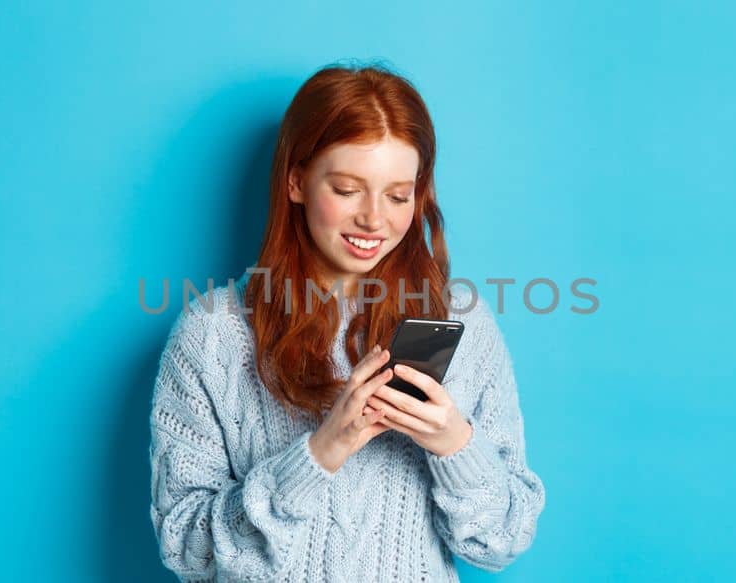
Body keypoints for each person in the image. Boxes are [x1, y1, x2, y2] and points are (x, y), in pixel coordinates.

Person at [148, 63, 544, 582]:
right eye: (347, 189)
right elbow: (187, 551)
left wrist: (453, 443)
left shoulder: (458, 323)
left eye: (398, 196)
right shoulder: (213, 333)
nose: (374, 220)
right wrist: (320, 452)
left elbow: (503, 543)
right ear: (296, 181)